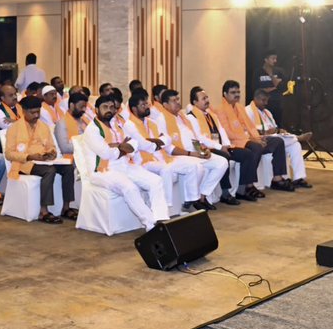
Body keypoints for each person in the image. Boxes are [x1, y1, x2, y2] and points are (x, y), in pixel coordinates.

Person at [80, 95, 169, 231]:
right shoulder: (92, 130)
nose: (109, 110)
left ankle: (161, 219)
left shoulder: (118, 124)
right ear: (96, 110)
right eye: (105, 107)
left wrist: (119, 146)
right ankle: (151, 225)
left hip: (124, 165)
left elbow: (134, 144)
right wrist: (123, 147)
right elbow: (106, 153)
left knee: (156, 181)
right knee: (129, 187)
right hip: (103, 171)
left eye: (111, 107)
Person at [123, 90, 203, 218]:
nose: (147, 107)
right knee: (166, 169)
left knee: (194, 166)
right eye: (142, 105)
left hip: (162, 157)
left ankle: (188, 203)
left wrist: (156, 142)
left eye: (147, 104)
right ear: (134, 109)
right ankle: (166, 206)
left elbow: (167, 139)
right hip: (144, 162)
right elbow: (144, 145)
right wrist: (158, 141)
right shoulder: (129, 125)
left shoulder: (152, 122)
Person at [4, 95, 76, 223]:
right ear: (23, 111)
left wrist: (52, 153)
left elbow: (51, 146)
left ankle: (66, 207)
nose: (37, 115)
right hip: (24, 163)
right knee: (50, 171)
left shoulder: (43, 126)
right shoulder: (14, 128)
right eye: (33, 112)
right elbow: (9, 154)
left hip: (43, 160)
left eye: (38, 112)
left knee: (68, 168)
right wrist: (29, 156)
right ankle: (44, 211)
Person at [217, 79, 296, 194]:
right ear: (225, 94)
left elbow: (250, 126)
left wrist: (259, 138)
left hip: (249, 139)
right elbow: (228, 133)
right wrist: (252, 140)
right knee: (256, 147)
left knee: (278, 141)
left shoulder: (239, 107)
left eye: (238, 92)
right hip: (235, 143)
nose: (237, 95)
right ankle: (248, 186)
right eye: (233, 92)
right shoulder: (220, 110)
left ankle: (277, 179)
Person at [159, 88, 229, 212]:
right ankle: (190, 202)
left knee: (222, 162)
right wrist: (192, 154)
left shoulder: (183, 117)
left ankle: (202, 195)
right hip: (178, 156)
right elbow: (168, 148)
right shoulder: (161, 119)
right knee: (196, 165)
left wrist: (202, 150)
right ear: (165, 105)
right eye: (173, 101)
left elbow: (194, 138)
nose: (177, 102)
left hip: (194, 152)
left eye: (178, 99)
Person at [185, 86, 242, 206]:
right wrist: (220, 147)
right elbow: (200, 138)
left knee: (246, 153)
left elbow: (221, 130)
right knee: (225, 158)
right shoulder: (191, 117)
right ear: (195, 102)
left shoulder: (211, 114)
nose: (207, 100)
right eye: (203, 98)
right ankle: (225, 193)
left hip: (219, 146)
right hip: (207, 148)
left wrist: (226, 145)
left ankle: (244, 189)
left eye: (206, 97)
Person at [247, 88, 313, 188]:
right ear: (255, 98)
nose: (266, 103)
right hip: (261, 140)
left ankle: (299, 178)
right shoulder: (248, 111)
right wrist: (267, 132)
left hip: (275, 139)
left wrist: (279, 131)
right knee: (281, 140)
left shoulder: (267, 112)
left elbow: (274, 127)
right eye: (263, 100)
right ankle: (297, 137)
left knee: (295, 146)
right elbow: (248, 131)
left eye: (267, 100)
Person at [254, 49, 287, 123]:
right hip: (262, 105)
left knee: (277, 125)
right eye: (273, 58)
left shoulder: (279, 71)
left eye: (276, 59)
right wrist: (273, 88)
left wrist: (271, 74)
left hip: (276, 103)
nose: (275, 61)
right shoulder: (258, 72)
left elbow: (280, 87)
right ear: (266, 59)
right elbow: (256, 89)